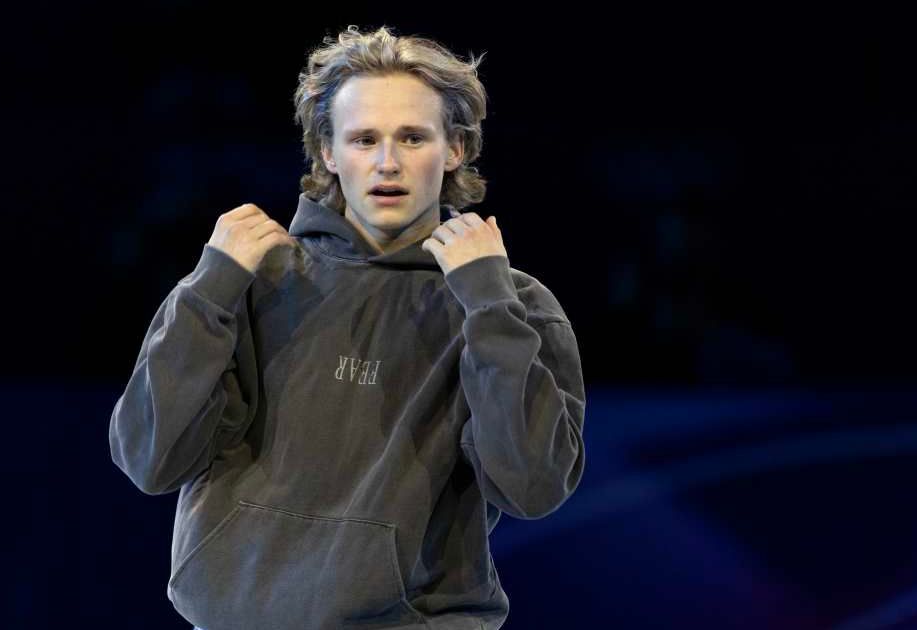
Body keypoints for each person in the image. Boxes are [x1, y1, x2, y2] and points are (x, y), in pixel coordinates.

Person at [109, 24, 587, 630]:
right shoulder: (250, 279)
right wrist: (207, 290)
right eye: (364, 139)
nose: (388, 162)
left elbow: (533, 487)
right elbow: (150, 459)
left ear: (456, 148)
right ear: (328, 153)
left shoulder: (511, 302)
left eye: (413, 137)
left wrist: (489, 305)